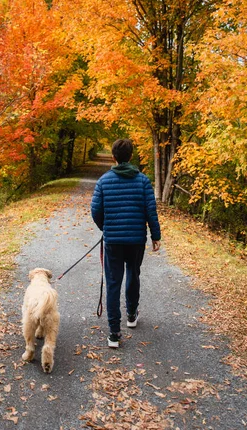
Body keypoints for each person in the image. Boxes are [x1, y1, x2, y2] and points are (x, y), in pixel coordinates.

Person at [91, 138, 161, 347]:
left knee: (113, 282)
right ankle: (131, 315)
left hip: (113, 241)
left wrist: (106, 228)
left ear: (114, 157)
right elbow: (151, 211)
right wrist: (155, 235)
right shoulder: (142, 181)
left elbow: (96, 211)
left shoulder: (104, 181)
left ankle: (114, 333)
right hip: (136, 240)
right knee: (133, 273)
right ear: (130, 156)